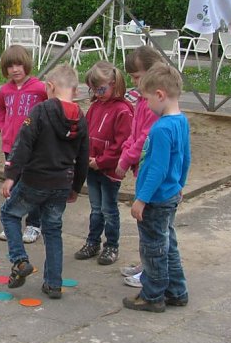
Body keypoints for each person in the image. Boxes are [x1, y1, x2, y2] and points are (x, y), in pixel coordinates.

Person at [0, 64, 88, 300]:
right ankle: (54, 284)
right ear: (75, 90)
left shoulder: (40, 111)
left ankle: (20, 261)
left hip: (35, 179)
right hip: (62, 183)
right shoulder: (80, 118)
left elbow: (23, 143)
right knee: (53, 230)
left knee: (9, 214)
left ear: (50, 86)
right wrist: (76, 187)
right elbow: (83, 157)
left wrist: (11, 176)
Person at [123, 63, 191, 313]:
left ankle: (152, 295)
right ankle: (177, 291)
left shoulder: (161, 128)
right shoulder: (181, 121)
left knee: (153, 248)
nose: (146, 104)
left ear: (160, 95)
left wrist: (141, 199)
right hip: (170, 193)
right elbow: (185, 158)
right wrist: (180, 184)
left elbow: (157, 169)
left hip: (156, 198)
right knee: (168, 244)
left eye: (147, 99)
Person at [114, 46, 166, 287]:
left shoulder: (155, 104)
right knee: (145, 226)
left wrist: (126, 159)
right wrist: (125, 151)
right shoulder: (143, 100)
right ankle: (146, 264)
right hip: (141, 169)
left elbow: (145, 138)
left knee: (153, 227)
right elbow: (134, 132)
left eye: (136, 77)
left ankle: (150, 272)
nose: (134, 83)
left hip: (150, 172)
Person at [74, 60, 132, 266]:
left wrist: (101, 161)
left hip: (109, 171)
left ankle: (112, 245)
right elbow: (86, 133)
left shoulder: (123, 111)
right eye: (93, 89)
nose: (97, 93)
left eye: (100, 89)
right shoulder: (95, 107)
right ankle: (92, 242)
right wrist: (84, 157)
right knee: (95, 208)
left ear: (114, 84)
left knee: (109, 209)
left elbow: (121, 144)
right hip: (92, 167)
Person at [0, 44, 47, 243]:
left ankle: (34, 224)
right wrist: (2, 126)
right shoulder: (5, 91)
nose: (15, 69)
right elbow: (0, 108)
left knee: (32, 184)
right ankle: (12, 222)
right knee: (12, 185)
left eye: (18, 65)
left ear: (26, 64)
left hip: (34, 148)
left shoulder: (39, 88)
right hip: (11, 147)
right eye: (10, 66)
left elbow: (51, 105)